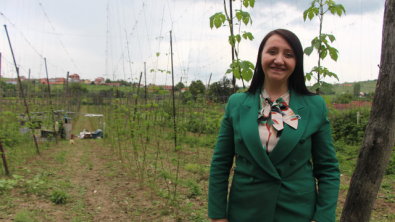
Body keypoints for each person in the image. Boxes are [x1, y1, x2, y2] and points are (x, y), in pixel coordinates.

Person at [208, 29, 340, 222]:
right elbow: (220, 163)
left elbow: (328, 169)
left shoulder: (315, 106)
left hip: (297, 211)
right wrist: (217, 215)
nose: (279, 60)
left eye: (288, 55)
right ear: (260, 56)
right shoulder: (236, 104)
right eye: (272, 52)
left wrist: (323, 218)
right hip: (246, 210)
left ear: (297, 62)